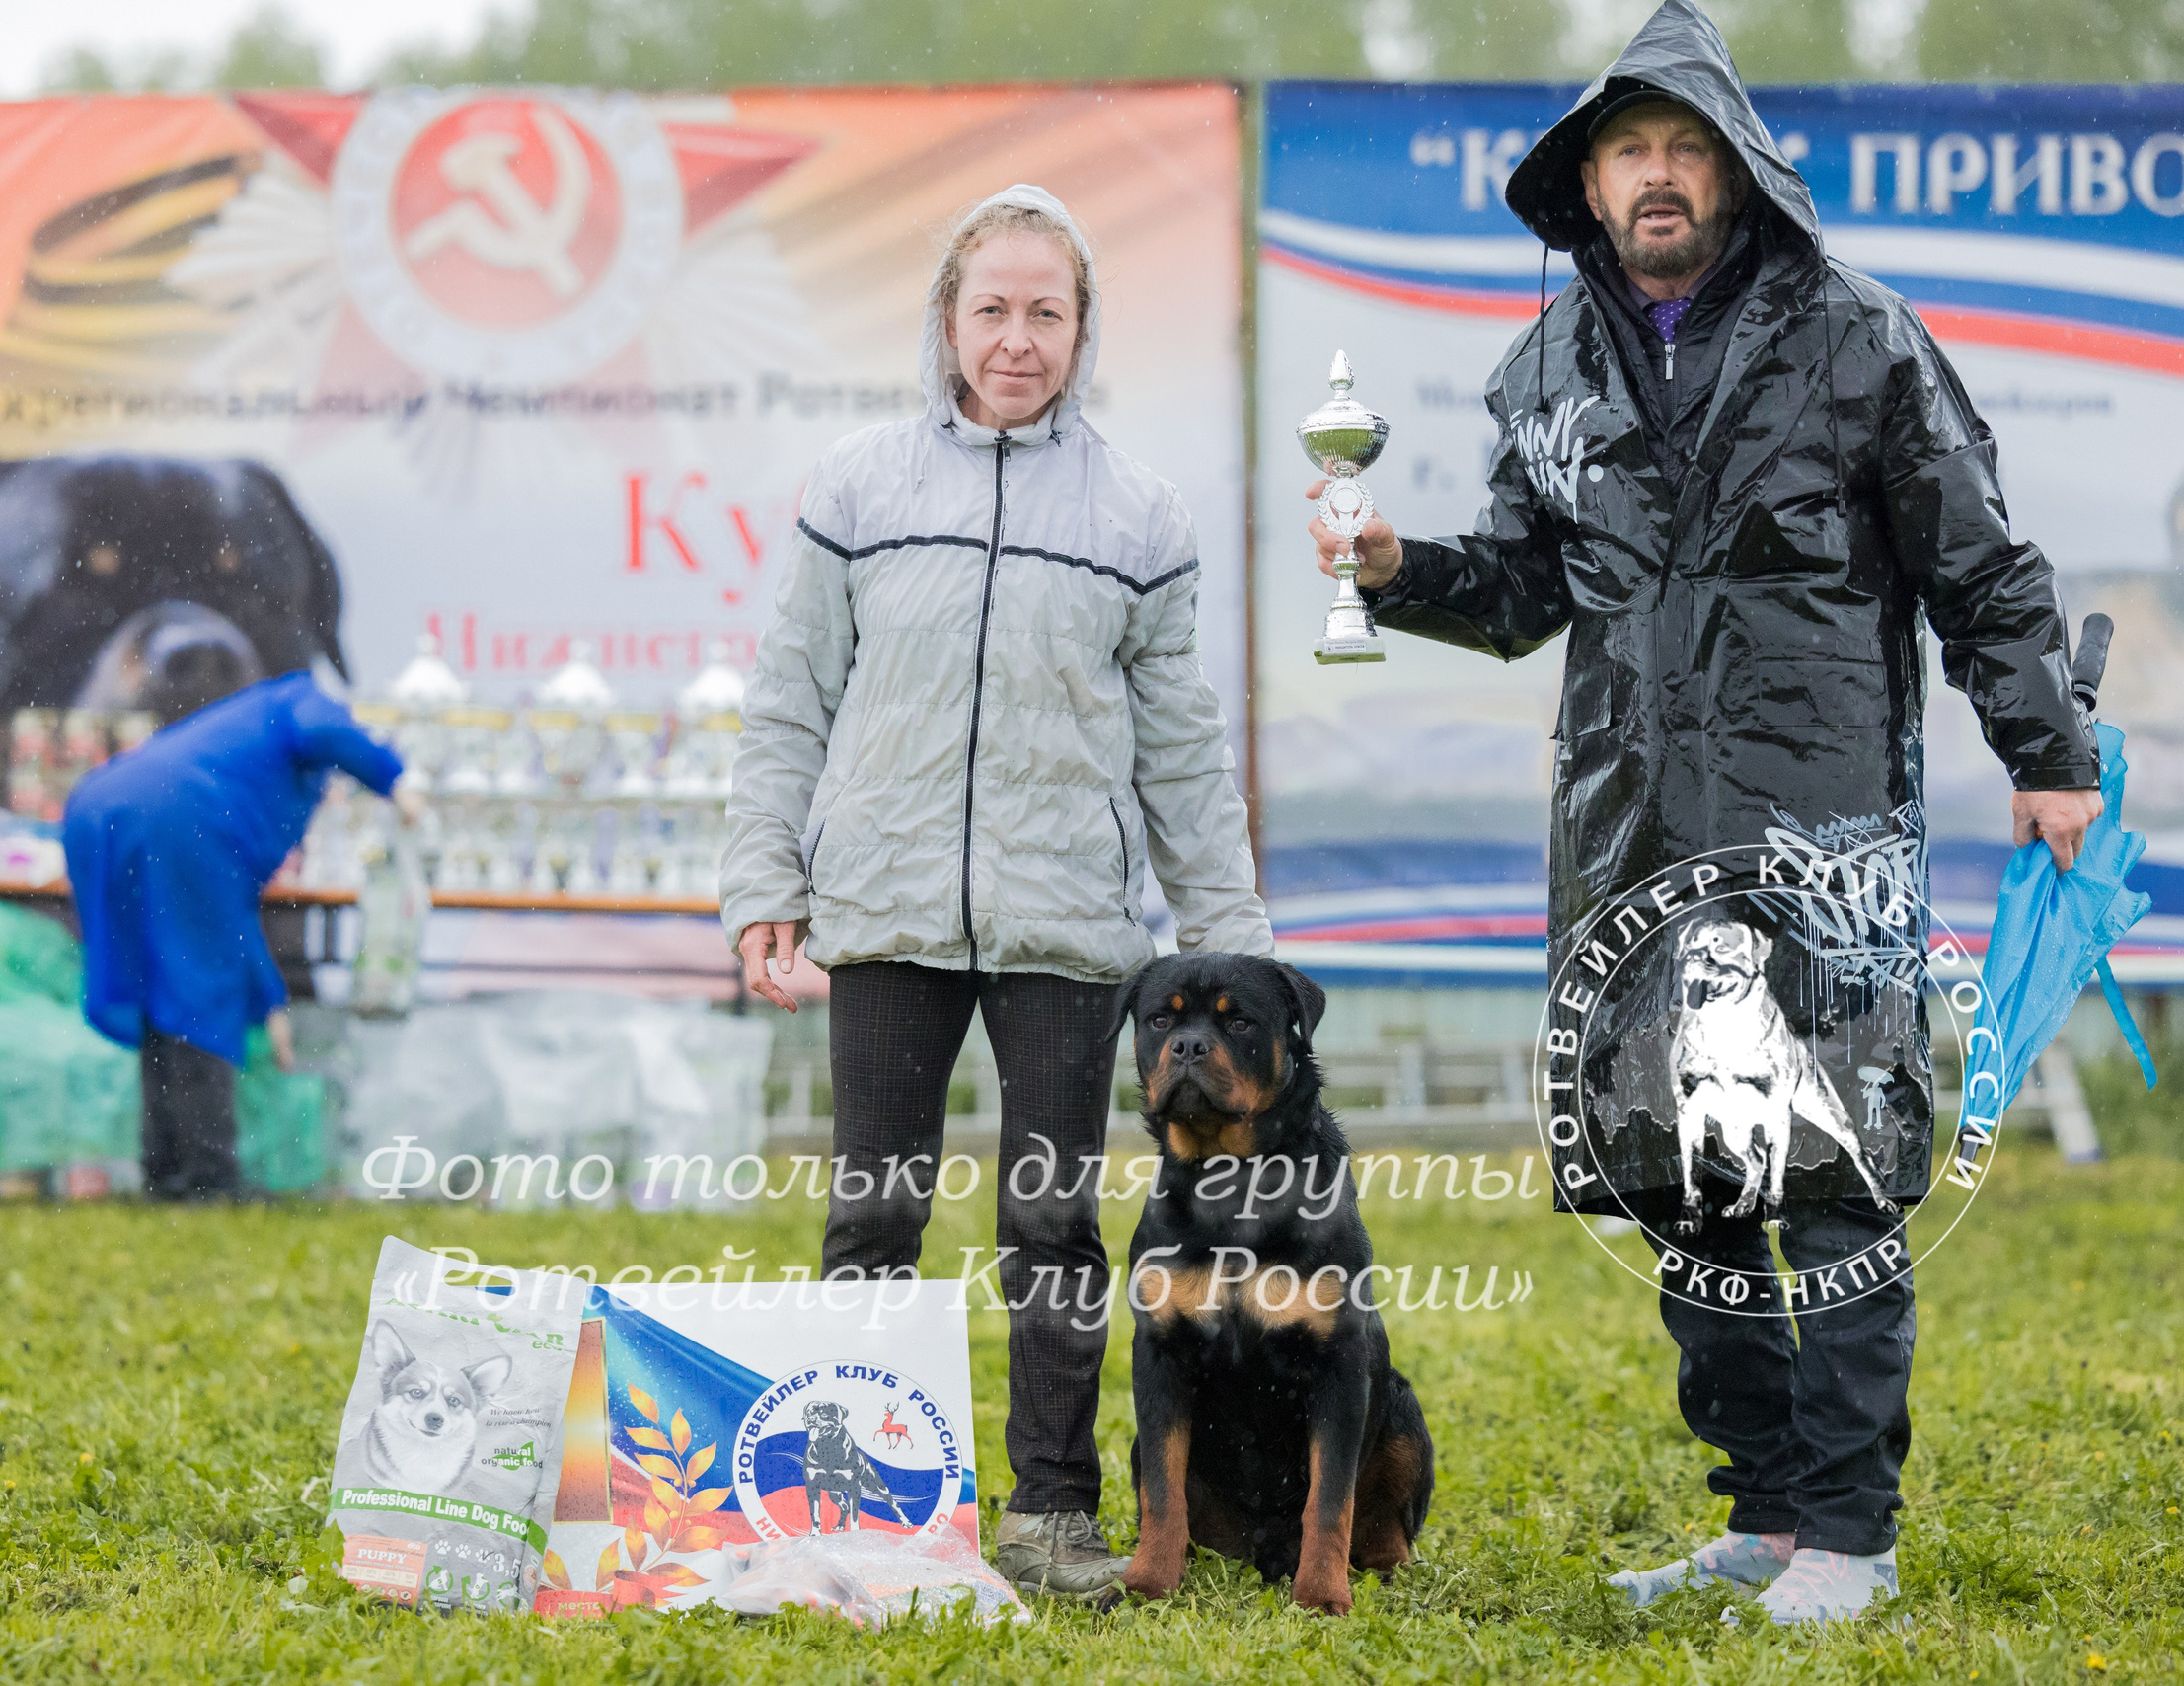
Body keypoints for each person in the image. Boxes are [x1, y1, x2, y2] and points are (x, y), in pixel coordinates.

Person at [1307, 0, 2101, 1625]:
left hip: (1822, 844)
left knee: (1833, 1182)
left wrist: (2048, 746)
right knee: (1688, 1184)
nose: (1657, 178)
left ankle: (1851, 1534)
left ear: (1736, 172)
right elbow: (1528, 590)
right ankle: (1759, 1509)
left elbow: (1982, 566)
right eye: (1628, 152)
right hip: (1630, 843)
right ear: (1585, 185)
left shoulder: (1859, 336)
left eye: (1684, 148)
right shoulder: (1541, 366)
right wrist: (1397, 576)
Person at [723, 184, 1271, 1601]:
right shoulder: (857, 490)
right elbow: (790, 700)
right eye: (992, 309)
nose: (1017, 339)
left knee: (1048, 1222)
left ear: (1083, 332)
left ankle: (1050, 1510)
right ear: (945, 324)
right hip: (886, 914)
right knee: (873, 1215)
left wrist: (1233, 944)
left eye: (1047, 311)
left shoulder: (1140, 515)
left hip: (1067, 930)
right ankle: (855, 1503)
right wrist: (765, 877)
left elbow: (1182, 753)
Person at [62, 669, 414, 1200]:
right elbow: (323, 728)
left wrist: (269, 999)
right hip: (173, 816)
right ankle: (208, 1180)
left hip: (100, 806)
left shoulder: (229, 732)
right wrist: (396, 780)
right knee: (198, 1001)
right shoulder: (298, 698)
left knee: (163, 1003)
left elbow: (228, 916)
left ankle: (167, 1171)